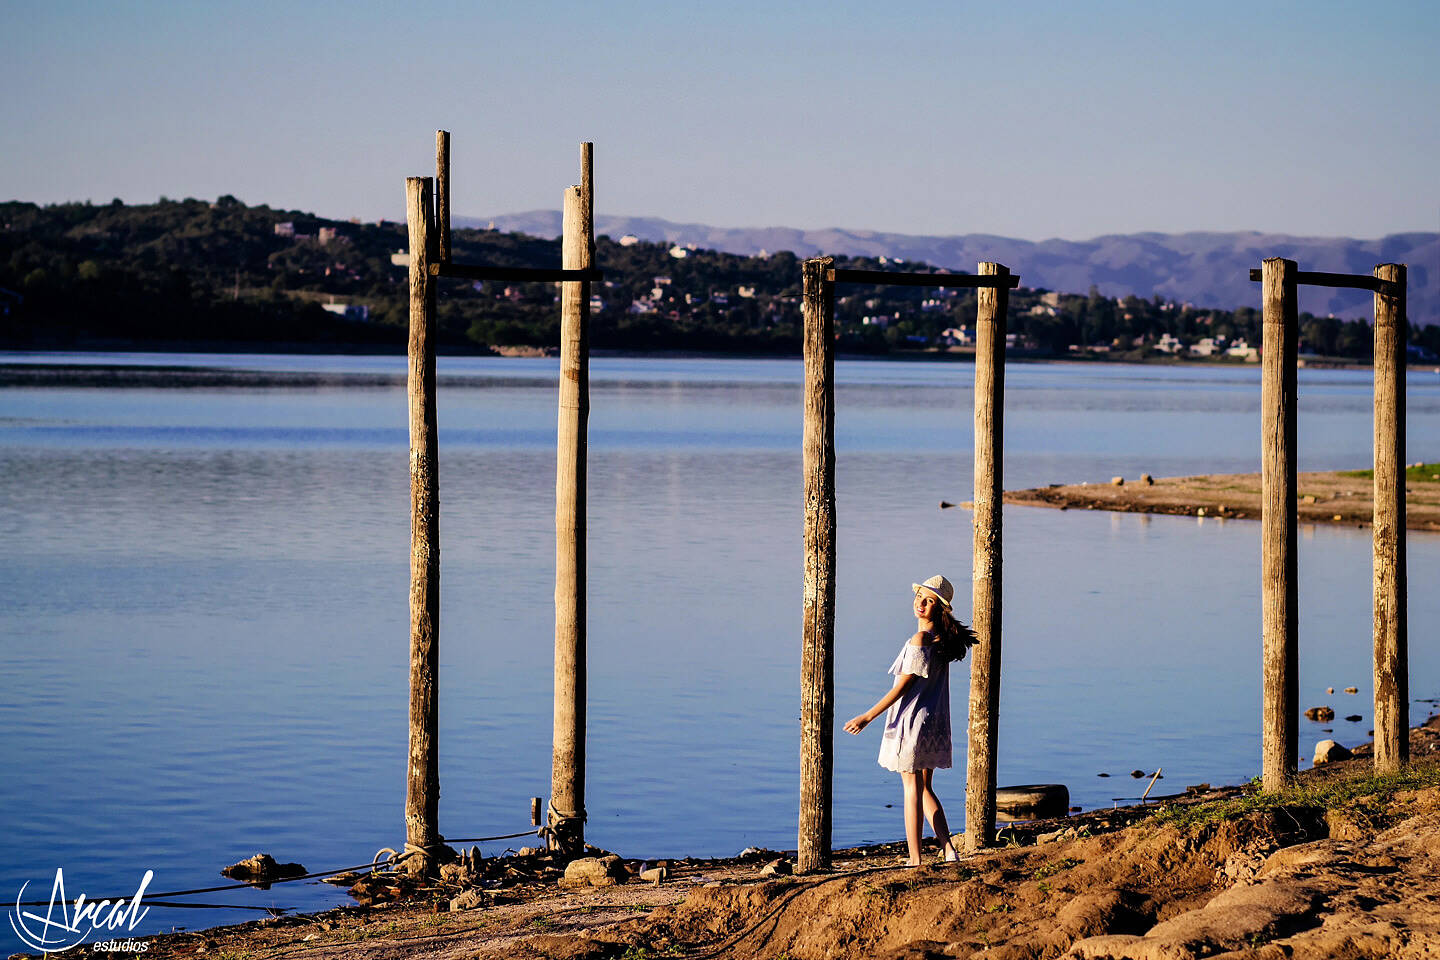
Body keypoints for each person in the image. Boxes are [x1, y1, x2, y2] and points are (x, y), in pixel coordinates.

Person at [843, 575, 975, 866]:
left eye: (929, 601)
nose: (921, 603)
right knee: (926, 788)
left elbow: (902, 686)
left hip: (912, 722)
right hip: (934, 723)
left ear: (940, 609)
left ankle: (915, 859)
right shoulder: (942, 641)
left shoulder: (921, 640)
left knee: (911, 789)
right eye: (920, 597)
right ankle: (949, 849)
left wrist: (867, 716)